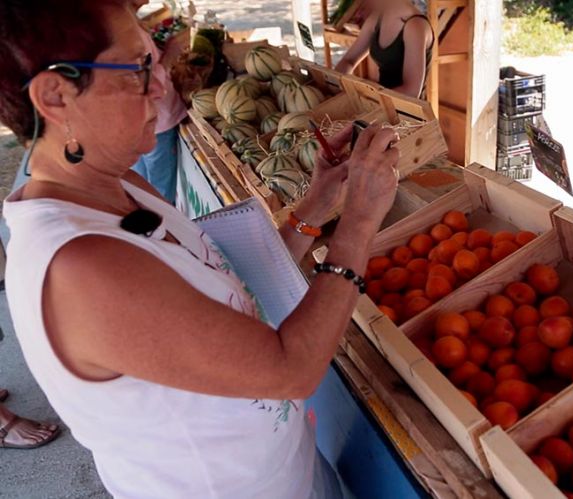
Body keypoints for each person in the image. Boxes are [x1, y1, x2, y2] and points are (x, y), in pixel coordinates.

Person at [0, 1, 399, 497]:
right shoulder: (80, 267)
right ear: (56, 96)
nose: (163, 85)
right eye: (138, 69)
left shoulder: (117, 184)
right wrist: (358, 223)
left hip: (281, 472)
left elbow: (228, 282)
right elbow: (290, 368)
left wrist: (315, 208)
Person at [129, 0, 187, 204]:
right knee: (160, 194)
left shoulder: (127, 23)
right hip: (158, 121)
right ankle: (161, 233)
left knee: (140, 188)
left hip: (142, 121)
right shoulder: (125, 29)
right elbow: (144, 84)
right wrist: (170, 55)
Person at [335, 0, 434, 99]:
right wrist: (334, 83)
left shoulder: (415, 25)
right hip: (380, 103)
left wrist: (366, 96)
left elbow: (411, 91)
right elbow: (349, 61)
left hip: (406, 110)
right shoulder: (377, 18)